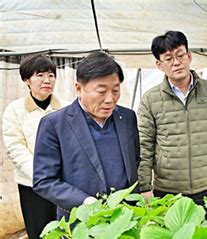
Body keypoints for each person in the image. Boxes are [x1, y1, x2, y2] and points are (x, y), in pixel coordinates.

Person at [137, 31, 207, 217]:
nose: (176, 62)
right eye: (168, 58)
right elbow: (144, 146)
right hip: (167, 192)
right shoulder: (150, 100)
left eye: (180, 55)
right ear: (159, 65)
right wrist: (144, 187)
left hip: (205, 187)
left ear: (189, 56)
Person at [33, 52, 140, 220]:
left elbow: (135, 162)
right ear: (78, 89)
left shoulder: (127, 118)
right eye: (101, 91)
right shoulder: (55, 124)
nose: (110, 99)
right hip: (81, 222)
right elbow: (44, 181)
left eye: (115, 90)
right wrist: (84, 201)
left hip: (125, 218)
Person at [2, 55, 65, 239]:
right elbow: (16, 148)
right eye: (40, 75)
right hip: (33, 187)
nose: (47, 80)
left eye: (51, 75)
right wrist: (44, 175)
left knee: (65, 237)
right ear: (27, 80)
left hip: (62, 186)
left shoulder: (65, 108)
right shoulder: (15, 110)